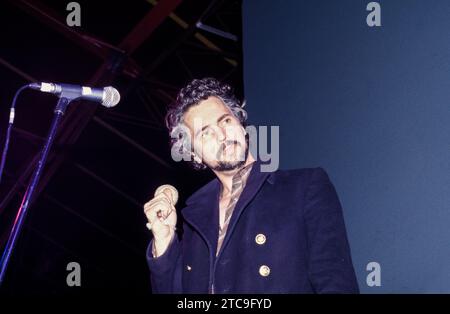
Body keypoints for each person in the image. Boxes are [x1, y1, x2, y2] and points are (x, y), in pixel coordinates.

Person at [143, 77, 359, 293]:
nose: (222, 135)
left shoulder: (304, 187)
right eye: (206, 132)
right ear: (194, 154)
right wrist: (163, 240)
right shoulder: (195, 221)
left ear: (240, 123)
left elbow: (335, 283)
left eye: (225, 121)